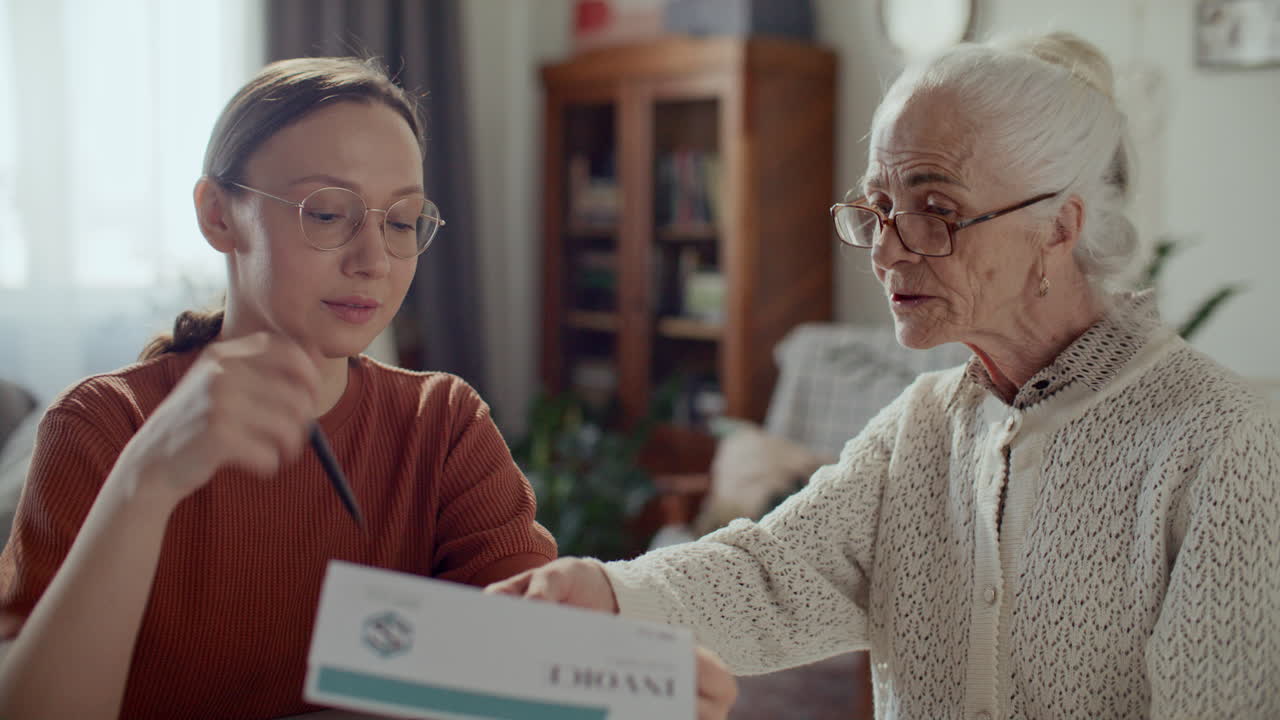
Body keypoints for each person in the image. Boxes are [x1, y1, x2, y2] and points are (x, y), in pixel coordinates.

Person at [488, 32, 1280, 719]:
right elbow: (772, 576)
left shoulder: (1223, 445)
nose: (888, 250)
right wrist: (608, 594)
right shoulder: (922, 426)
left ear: (1059, 226)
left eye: (936, 208)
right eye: (878, 207)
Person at [0, 57, 561, 719]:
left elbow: (535, 670)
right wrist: (144, 484)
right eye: (326, 214)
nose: (373, 261)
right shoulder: (101, 424)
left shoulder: (442, 423)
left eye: (401, 222)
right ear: (218, 215)